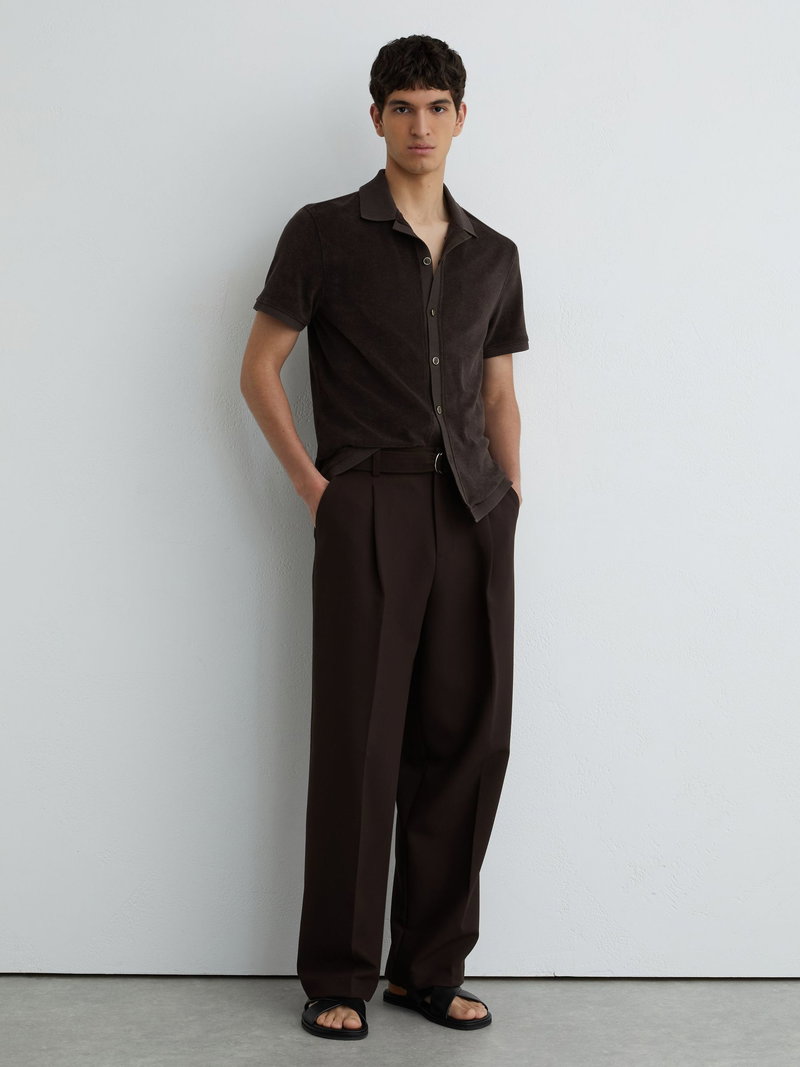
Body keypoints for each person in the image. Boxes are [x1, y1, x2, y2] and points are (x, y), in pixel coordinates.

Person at [240, 34, 529, 1041]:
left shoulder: (494, 253)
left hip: (473, 511)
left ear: (461, 117)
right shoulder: (323, 232)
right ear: (376, 118)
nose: (419, 124)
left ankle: (428, 968)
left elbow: (499, 393)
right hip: (367, 501)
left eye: (436, 106)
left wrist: (508, 501)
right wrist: (317, 489)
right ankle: (337, 972)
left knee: (468, 739)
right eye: (401, 106)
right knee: (360, 741)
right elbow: (259, 368)